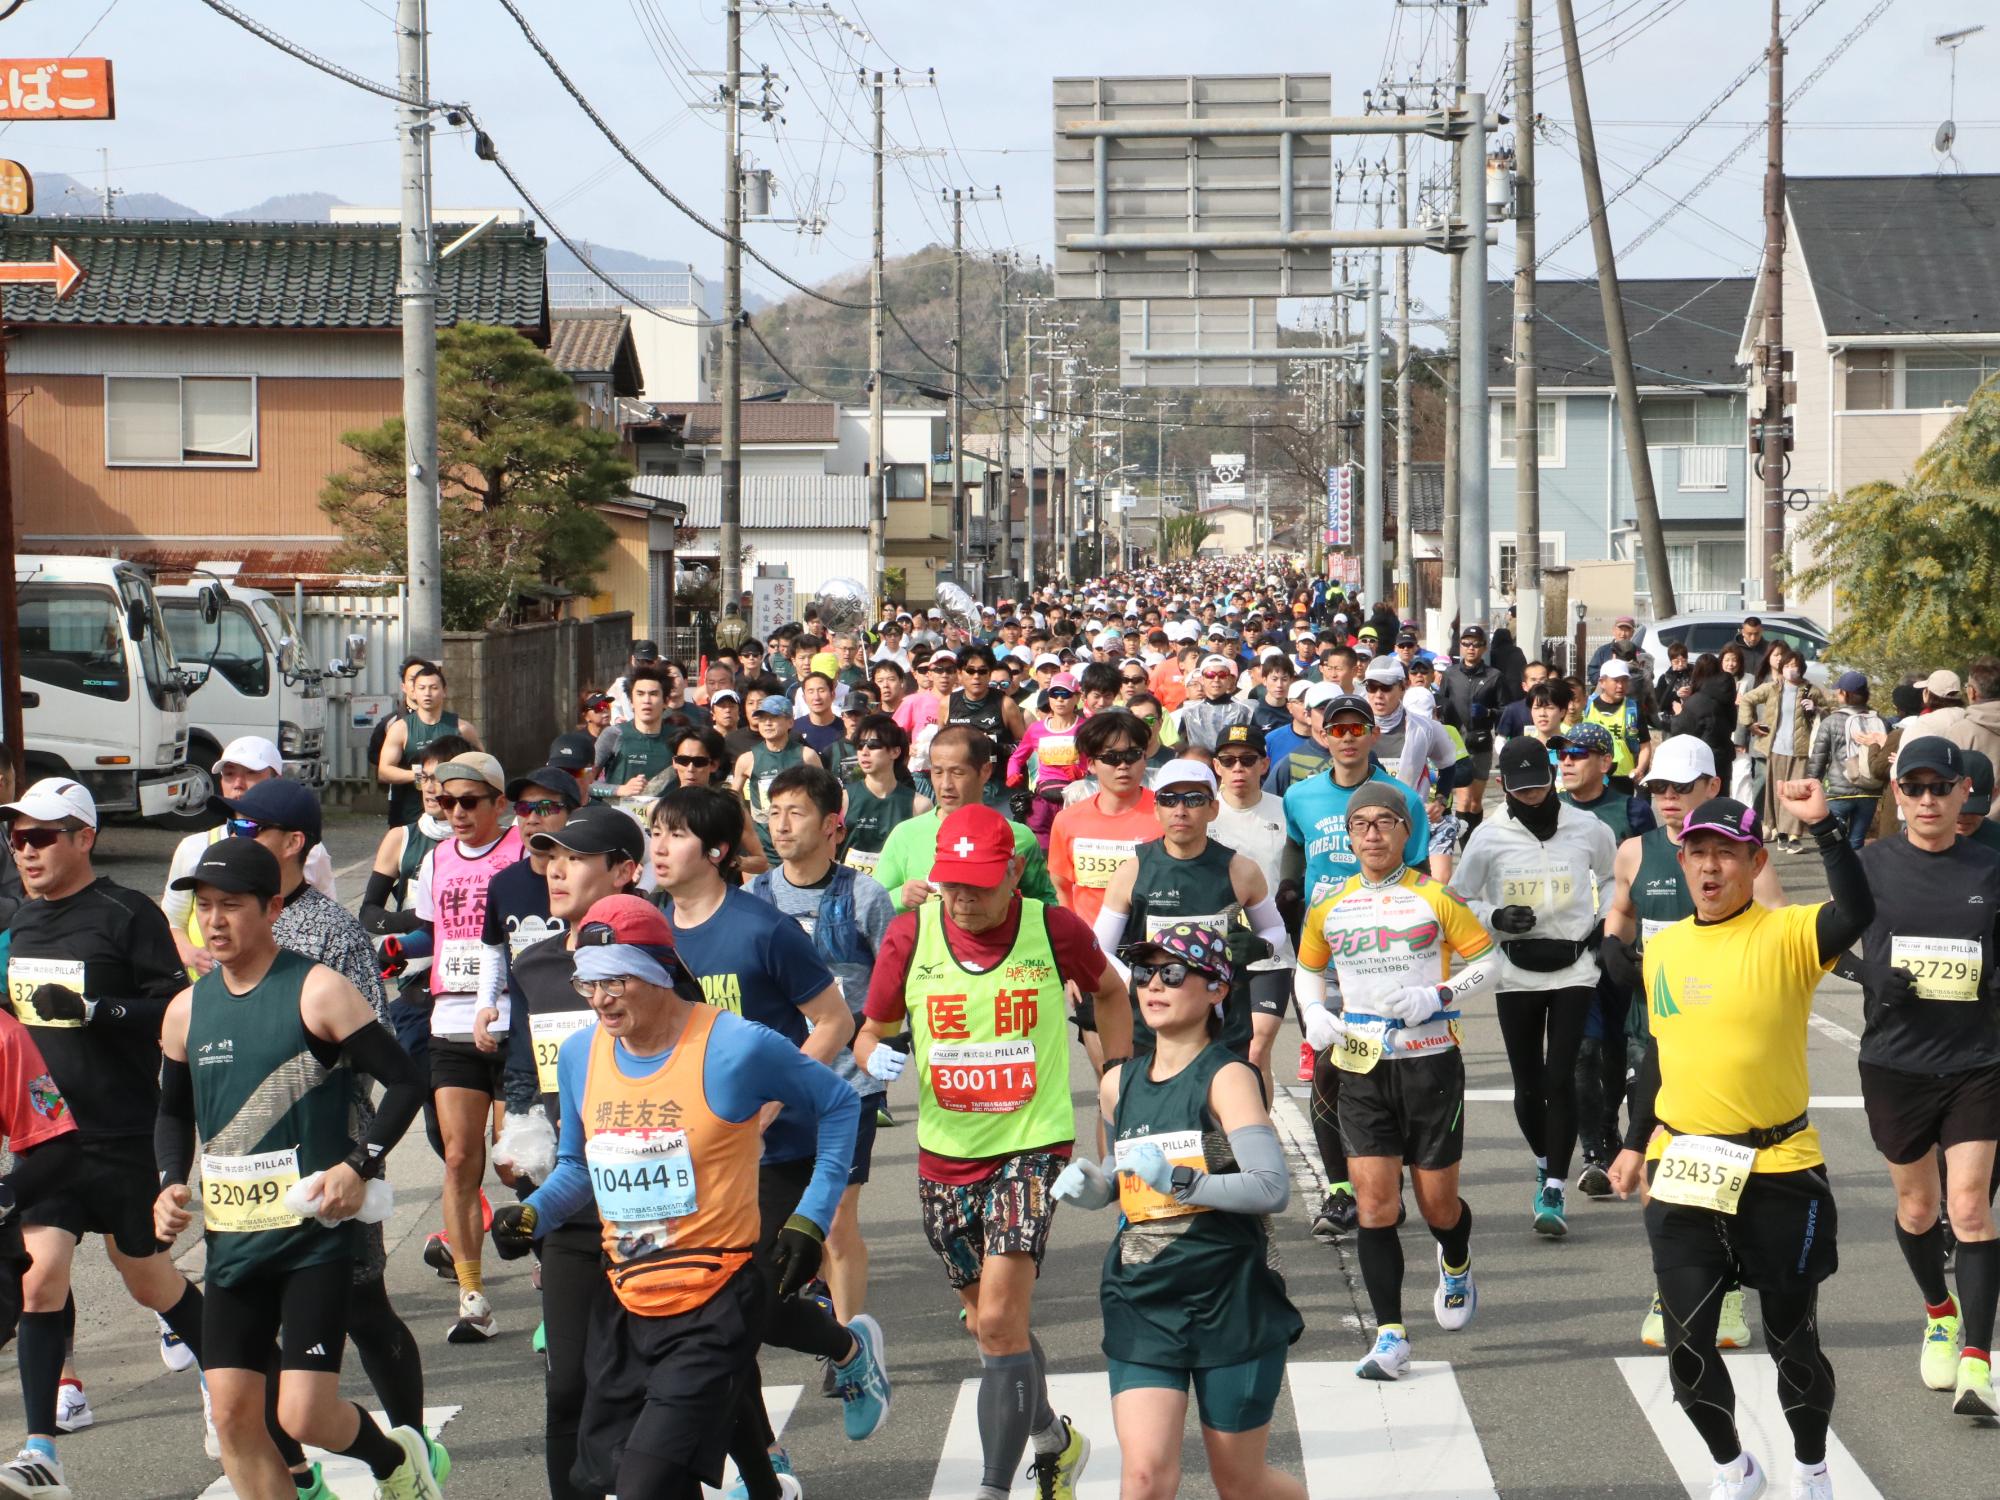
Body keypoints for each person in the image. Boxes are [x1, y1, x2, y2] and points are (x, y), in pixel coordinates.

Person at [496, 895, 863, 1500]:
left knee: (644, 1484)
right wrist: (533, 1215)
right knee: (611, 1481)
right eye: (587, 981)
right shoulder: (582, 1054)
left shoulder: (736, 1046)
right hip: (628, 1299)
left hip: (717, 1299)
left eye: (614, 980)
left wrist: (810, 1219)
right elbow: (577, 1168)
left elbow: (840, 1103)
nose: (598, 998)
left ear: (656, 974)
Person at [149, 837, 440, 1500]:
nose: (214, 921)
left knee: (303, 1414)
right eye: (204, 906)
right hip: (231, 1243)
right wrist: (169, 1180)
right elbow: (171, 1113)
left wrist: (358, 1166)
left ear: (272, 906)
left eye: (232, 905)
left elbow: (403, 1080)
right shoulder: (186, 1010)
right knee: (231, 1417)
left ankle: (395, 1461)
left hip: (309, 1242)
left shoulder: (317, 991)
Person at [1608, 782, 1875, 1500]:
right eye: (1697, 852)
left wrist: (1822, 829)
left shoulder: (1786, 934)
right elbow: (1660, 1054)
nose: (1708, 867)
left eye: (1725, 854)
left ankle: (1813, 1466)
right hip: (1686, 1162)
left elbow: (1857, 911)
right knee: (1686, 1343)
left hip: (1780, 1164)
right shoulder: (1663, 951)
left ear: (1754, 862)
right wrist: (1634, 1141)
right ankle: (1733, 1468)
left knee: (1792, 1339)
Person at [852, 805, 1126, 1500]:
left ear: (1011, 874)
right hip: (944, 1153)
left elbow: (1111, 990)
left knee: (1003, 1322)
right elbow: (871, 1030)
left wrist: (1118, 1071)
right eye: (952, 884)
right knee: (989, 1326)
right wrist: (875, 1059)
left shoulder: (1052, 927)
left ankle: (993, 1489)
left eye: (978, 883)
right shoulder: (910, 936)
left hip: (1031, 1146)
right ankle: (1056, 1442)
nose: (964, 898)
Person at [647, 786, 893, 1484]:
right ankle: (766, 1459)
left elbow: (835, 1022)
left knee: (738, 1303)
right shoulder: (653, 929)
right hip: (689, 1147)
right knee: (713, 1309)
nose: (659, 847)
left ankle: (844, 1352)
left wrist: (773, 1098)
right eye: (655, 833)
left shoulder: (762, 929)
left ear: (717, 851)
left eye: (675, 835)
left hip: (780, 1145)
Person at [213, 778, 435, 1485]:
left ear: (292, 843)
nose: (237, 837)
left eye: (251, 829)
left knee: (364, 1307)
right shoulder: (223, 912)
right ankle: (296, 1469)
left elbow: (367, 1054)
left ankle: (411, 1450)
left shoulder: (330, 931)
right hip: (245, 1169)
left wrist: (353, 1159)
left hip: (328, 1157)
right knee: (258, 1329)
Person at [0, 778, 213, 1484]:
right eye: (16, 837)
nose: (25, 851)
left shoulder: (126, 913)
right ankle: (42, 1450)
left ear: (83, 838)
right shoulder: (19, 926)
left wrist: (97, 1010)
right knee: (40, 1281)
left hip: (124, 1134)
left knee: (149, 1282)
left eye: (41, 837)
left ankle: (227, 1377)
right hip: (50, 1143)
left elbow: (176, 1013)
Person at [1052, 924, 1305, 1500]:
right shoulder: (1119, 1081)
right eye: (1144, 973)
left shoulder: (1228, 1077)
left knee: (1239, 1482)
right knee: (1144, 1478)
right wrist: (1100, 1189)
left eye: (1173, 973)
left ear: (1217, 988)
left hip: (1229, 1296)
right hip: (1142, 1295)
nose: (1153, 986)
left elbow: (1270, 1189)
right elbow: (1129, 1176)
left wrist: (1185, 1181)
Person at [1294, 782, 1498, 1380]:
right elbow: (1309, 971)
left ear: (1406, 833)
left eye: (1386, 822)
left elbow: (1487, 962)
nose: (1374, 833)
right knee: (1375, 1205)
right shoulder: (1330, 904)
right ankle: (1391, 1336)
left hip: (1430, 1061)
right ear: (1349, 835)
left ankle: (1455, 1261)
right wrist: (1314, 1015)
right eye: (1362, 824)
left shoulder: (1433, 897)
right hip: (1360, 1065)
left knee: (1437, 1205)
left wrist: (1435, 993)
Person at [1600, 735, 1778, 1348]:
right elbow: (1619, 913)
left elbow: (1783, 933)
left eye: (1681, 789)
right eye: (1658, 790)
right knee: (1658, 1161)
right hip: (1650, 1033)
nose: (1668, 801)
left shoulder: (1741, 860)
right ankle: (1674, 1284)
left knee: (1715, 1167)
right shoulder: (1634, 851)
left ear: (1711, 788)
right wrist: (1610, 948)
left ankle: (1724, 1297)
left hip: (1720, 1037)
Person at [1845, 737, 2000, 1418]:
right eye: (1915, 788)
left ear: (1965, 793)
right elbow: (1814, 943)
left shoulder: (1991, 867)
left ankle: (1977, 1358)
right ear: (1897, 796)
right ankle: (1939, 1312)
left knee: (1968, 1208)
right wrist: (1866, 972)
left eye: (1942, 787)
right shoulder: (1871, 863)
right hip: (1896, 1063)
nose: (1929, 800)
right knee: (1917, 1210)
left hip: (1978, 1063)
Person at [500, 805, 644, 1500]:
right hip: (570, 1199)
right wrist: (518, 1133)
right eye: (548, 857)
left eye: (575, 858)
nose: (555, 870)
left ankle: (765, 1472)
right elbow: (527, 1069)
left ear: (624, 870)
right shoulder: (535, 965)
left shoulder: (662, 958)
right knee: (569, 1388)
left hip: (657, 1203)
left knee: (674, 1383)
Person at [749, 766, 898, 1333]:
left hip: (844, 1083)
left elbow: (892, 981)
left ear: (833, 824)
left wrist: (878, 1043)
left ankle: (849, 1340)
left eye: (796, 813)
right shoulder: (754, 897)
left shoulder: (863, 894)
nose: (782, 825)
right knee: (769, 1218)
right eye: (774, 812)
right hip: (770, 1085)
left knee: (837, 1219)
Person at [1451, 737, 1618, 1237]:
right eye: (1521, 790)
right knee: (1527, 1080)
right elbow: (1458, 898)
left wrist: (1601, 928)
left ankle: (1556, 1189)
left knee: (1559, 1076)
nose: (1533, 796)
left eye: (1540, 786)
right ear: (1504, 785)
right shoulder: (1488, 836)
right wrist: (1495, 917)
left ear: (1551, 779)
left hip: (1574, 968)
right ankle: (1545, 1161)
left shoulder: (1587, 827)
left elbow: (1612, 880)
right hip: (1516, 970)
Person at [1281, 694, 1430, 1239]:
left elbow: (1420, 876)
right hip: (1323, 957)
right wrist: (1289, 887)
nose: (1346, 736)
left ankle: (1386, 1179)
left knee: (1387, 1070)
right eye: (1336, 727)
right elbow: (1295, 847)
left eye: (1357, 727)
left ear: (1372, 735)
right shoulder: (1299, 794)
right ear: (1322, 734)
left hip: (1387, 955)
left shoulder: (1402, 798)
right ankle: (1342, 1190)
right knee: (1329, 1067)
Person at [411, 752, 522, 1341]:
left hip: (511, 1020)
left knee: (514, 1160)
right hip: (449, 1018)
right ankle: (471, 1293)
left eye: (469, 803)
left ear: (498, 804)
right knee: (459, 1157)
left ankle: (553, 1267)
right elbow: (429, 933)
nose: (455, 812)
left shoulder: (522, 852)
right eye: (446, 802)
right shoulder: (435, 859)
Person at [1093, 760, 1292, 1067]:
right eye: (1169, 800)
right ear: (1156, 808)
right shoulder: (1132, 872)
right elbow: (1100, 948)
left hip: (1225, 1026)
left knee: (1229, 1109)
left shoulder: (1240, 870)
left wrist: (1260, 947)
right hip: (1153, 1027)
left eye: (1194, 799)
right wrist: (1137, 981)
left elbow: (1276, 930)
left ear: (1213, 809)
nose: (1181, 810)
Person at [161, 737, 336, 977]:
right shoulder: (193, 848)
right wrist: (190, 954)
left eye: (251, 773)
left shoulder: (312, 854)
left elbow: (328, 916)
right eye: (229, 774)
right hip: (208, 991)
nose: (238, 784)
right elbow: (171, 922)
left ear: (277, 780)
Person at [1209, 726, 1304, 1091]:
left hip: (1271, 948)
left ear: (1264, 764)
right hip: (1212, 949)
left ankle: (1257, 1133)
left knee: (1255, 1047)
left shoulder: (1285, 811)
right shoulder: (1201, 813)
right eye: (1229, 761)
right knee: (1216, 1050)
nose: (1238, 769)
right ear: (1217, 766)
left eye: (1248, 760)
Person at [1741, 644, 1825, 852]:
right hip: (1775, 748)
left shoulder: (1810, 690)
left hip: (1800, 750)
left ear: (1802, 668)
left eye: (1794, 666)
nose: (1790, 669)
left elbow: (1832, 706)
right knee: (1777, 792)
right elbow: (1747, 700)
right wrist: (1751, 724)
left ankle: (1795, 835)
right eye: (1787, 665)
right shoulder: (1772, 687)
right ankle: (1781, 832)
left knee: (1797, 791)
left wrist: (1816, 709)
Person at [377, 663, 481, 828]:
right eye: (422, 688)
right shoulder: (400, 728)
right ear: (413, 692)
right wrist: (421, 776)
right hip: (409, 815)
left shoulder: (462, 728)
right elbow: (384, 771)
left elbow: (482, 767)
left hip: (453, 815)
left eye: (433, 688)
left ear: (444, 691)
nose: (427, 693)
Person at [840, 715, 928, 880]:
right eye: (860, 745)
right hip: (850, 893)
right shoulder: (843, 800)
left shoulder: (920, 805)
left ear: (895, 752)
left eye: (874, 745)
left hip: (896, 897)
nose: (864, 752)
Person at [735, 693, 821, 864]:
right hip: (763, 846)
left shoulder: (806, 755)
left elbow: (824, 794)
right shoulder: (747, 759)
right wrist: (747, 827)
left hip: (800, 842)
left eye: (774, 717)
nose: (767, 723)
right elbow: (731, 797)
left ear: (790, 721)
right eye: (762, 718)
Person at [1808, 670, 1889, 851]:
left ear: (1845, 694)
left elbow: (1818, 757)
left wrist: (1811, 782)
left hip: (1840, 790)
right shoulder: (1881, 721)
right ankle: (1856, 877)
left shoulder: (1831, 721)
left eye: (1838, 691)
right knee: (1857, 842)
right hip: (1870, 790)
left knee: (1833, 842)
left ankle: (1840, 875)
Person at [1360, 658, 1457, 800]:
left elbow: (1448, 765)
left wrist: (1440, 800)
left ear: (1403, 687)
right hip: (1363, 814)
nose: (1378, 695)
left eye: (1386, 687)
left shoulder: (1425, 727)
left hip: (1409, 814)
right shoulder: (1353, 728)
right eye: (1372, 687)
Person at [1008, 672, 1086, 847]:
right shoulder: (1036, 729)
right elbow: (1017, 757)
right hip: (1044, 797)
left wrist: (1081, 771)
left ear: (1077, 697)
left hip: (1074, 798)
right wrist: (1012, 774)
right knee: (1042, 847)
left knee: (1070, 847)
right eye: (1054, 694)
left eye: (1065, 694)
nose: (1059, 699)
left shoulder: (1085, 728)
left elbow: (1096, 762)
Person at [594, 666, 678, 799]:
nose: (646, 700)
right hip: (620, 817)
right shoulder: (613, 734)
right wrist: (619, 790)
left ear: (666, 702)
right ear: (631, 702)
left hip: (664, 817)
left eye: (653, 694)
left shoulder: (678, 738)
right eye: (640, 694)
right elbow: (583, 783)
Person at [1579, 658, 1654, 789]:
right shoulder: (1587, 706)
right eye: (1616, 680)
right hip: (1591, 774)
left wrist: (1639, 769)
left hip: (1623, 778)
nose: (1620, 685)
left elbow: (1645, 746)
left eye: (1624, 680)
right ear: (1602, 682)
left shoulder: (1633, 708)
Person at [1178, 657, 1255, 754]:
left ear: (1229, 679)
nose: (1216, 679)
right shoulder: (1189, 712)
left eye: (1222, 675)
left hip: (1230, 764)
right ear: (1202, 679)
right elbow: (1182, 747)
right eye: (1210, 675)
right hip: (1200, 765)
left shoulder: (1243, 711)